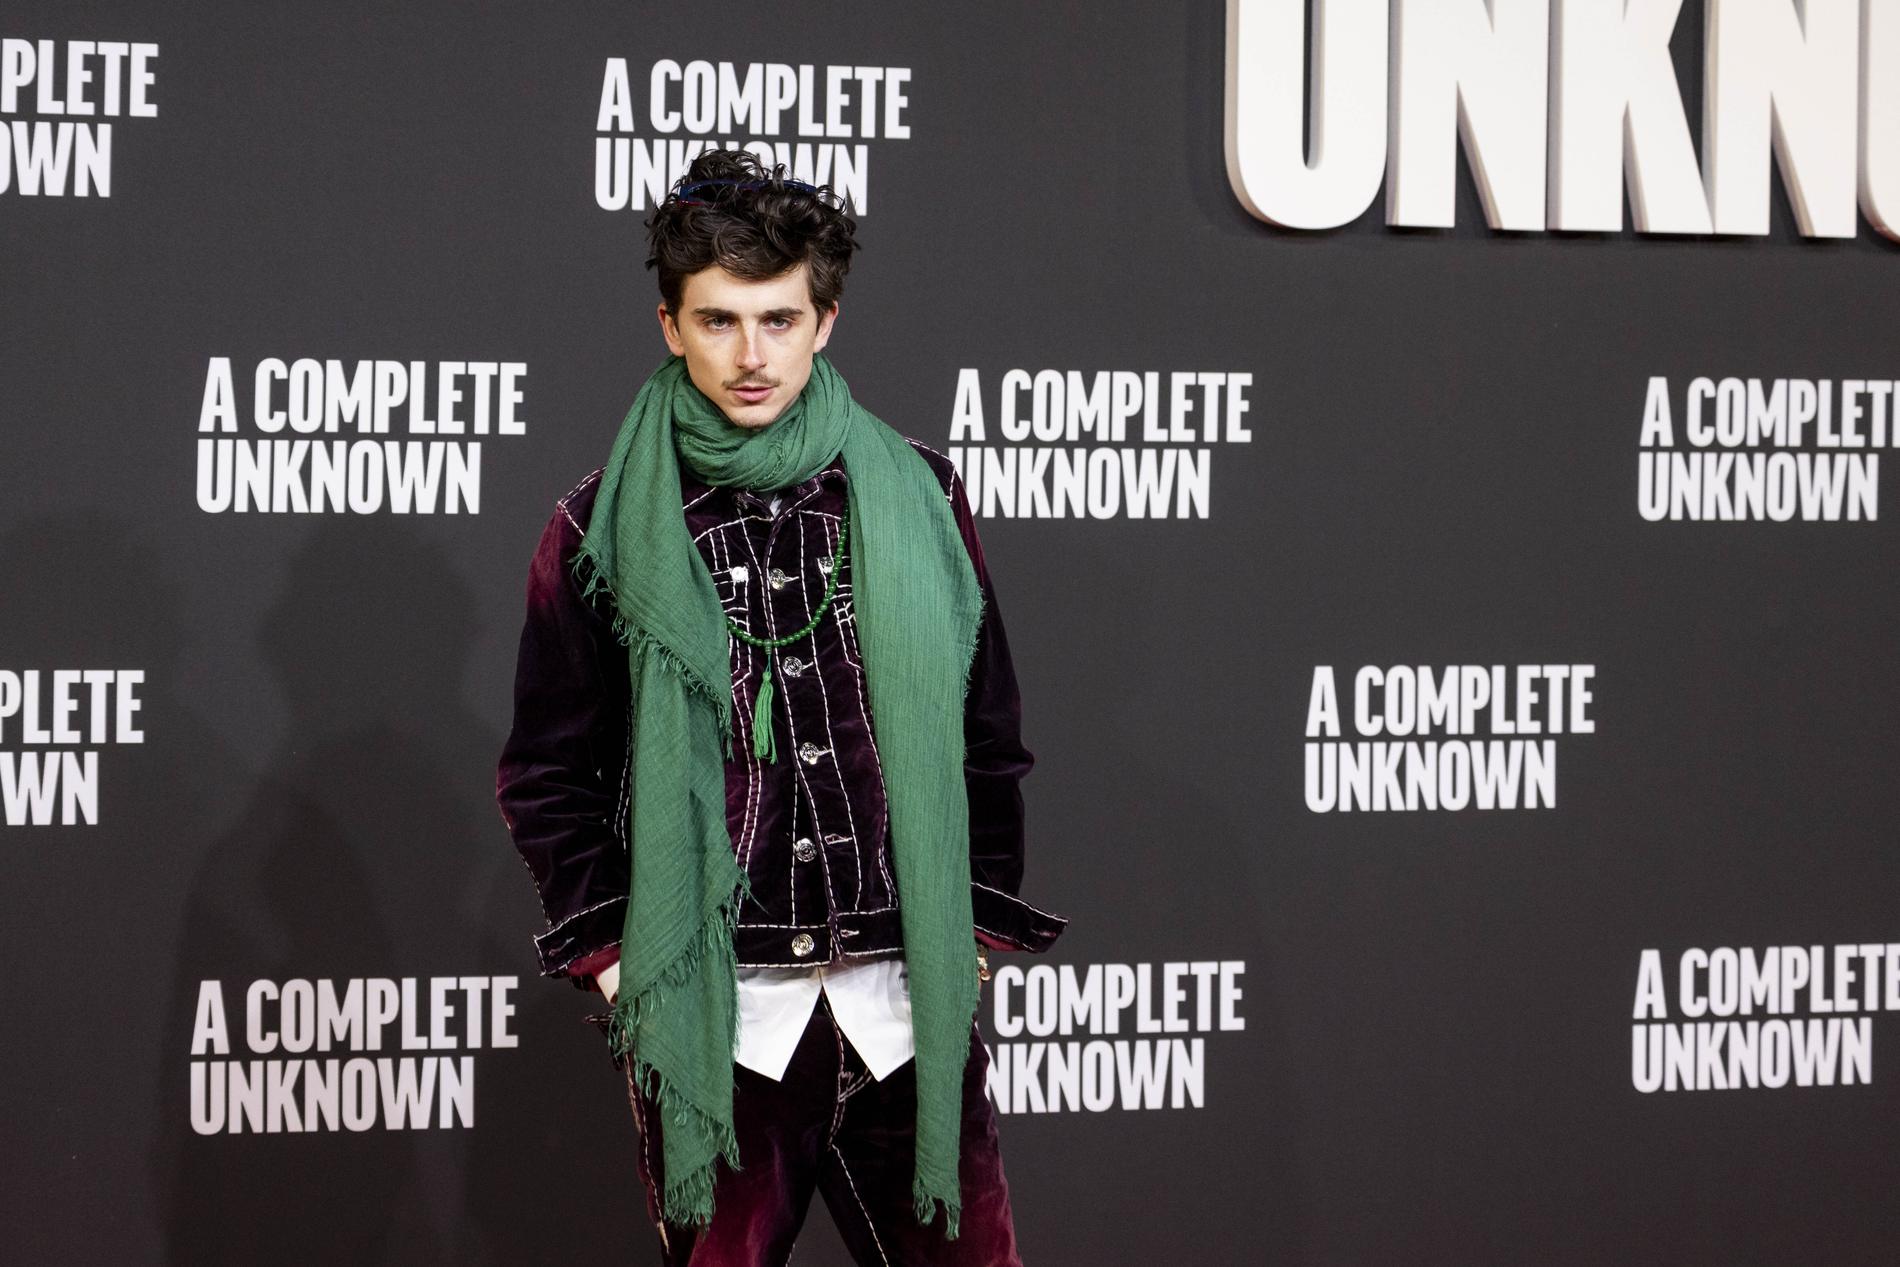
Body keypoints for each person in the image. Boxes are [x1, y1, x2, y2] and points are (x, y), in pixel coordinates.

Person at [495, 148, 1065, 1266]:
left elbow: (985, 734)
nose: (751, 355)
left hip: (905, 1003)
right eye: (718, 321)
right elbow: (547, 775)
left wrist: (972, 932)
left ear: (825, 321)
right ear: (670, 325)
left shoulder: (919, 494)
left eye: (779, 319)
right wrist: (621, 961)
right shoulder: (601, 528)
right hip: (721, 1020)